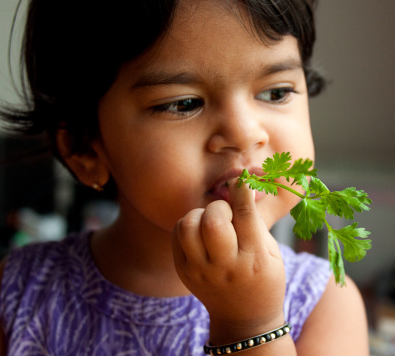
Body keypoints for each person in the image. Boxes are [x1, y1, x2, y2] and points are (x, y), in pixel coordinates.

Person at [0, 0, 369, 354]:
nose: (244, 133)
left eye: (276, 92)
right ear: (85, 151)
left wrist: (252, 327)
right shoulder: (19, 292)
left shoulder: (324, 303)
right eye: (184, 103)